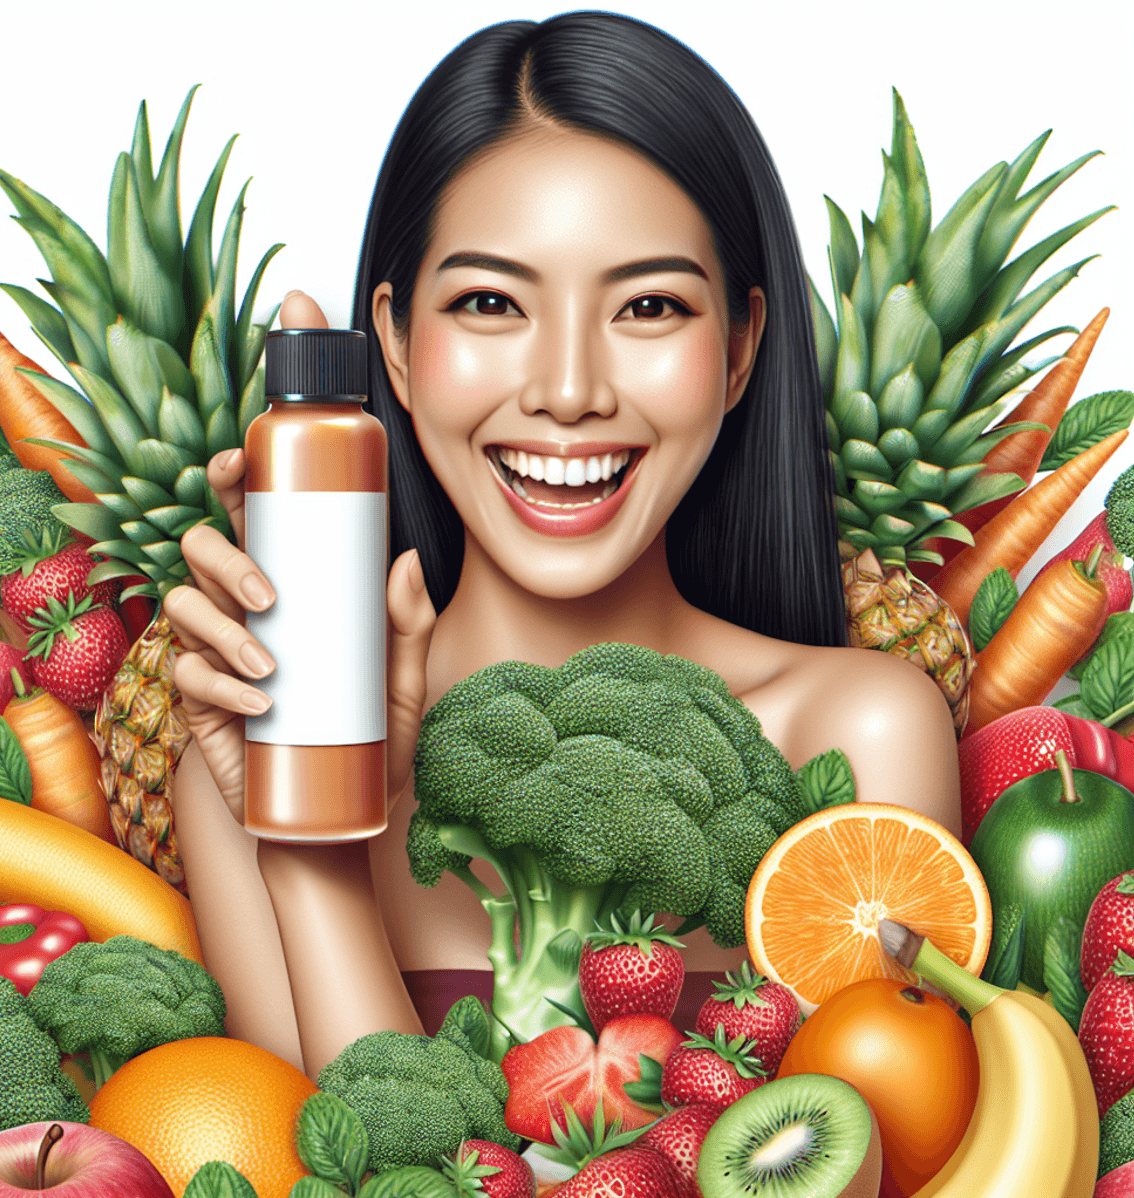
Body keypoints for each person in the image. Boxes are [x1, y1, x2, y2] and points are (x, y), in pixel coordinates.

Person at [164, 12, 960, 1080]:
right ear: (394, 345)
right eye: (492, 302)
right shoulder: (252, 772)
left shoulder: (861, 731)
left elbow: (863, 1151)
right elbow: (343, 1168)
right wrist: (316, 862)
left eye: (648, 307)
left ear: (738, 353)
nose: (570, 392)